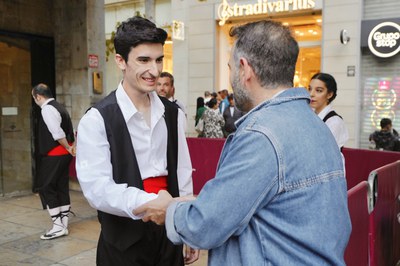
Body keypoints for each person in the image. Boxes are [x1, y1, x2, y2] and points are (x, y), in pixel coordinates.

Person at [135, 20, 351, 265]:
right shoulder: (314, 125)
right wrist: (197, 201)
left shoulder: (262, 134)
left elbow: (205, 224)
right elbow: (277, 206)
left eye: (229, 68)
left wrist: (169, 210)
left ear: (244, 69)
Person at [75, 16, 198, 265]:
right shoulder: (98, 119)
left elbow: (182, 171)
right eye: (144, 60)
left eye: (159, 59)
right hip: (122, 240)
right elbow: (97, 188)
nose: (154, 70)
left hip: (168, 235)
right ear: (120, 61)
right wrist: (150, 202)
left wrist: (186, 227)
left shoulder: (173, 113)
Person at [32, 83, 75, 240]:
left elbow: (57, 133)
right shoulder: (60, 106)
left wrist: (68, 147)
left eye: (34, 98)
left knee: (46, 187)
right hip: (63, 154)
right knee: (60, 186)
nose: (35, 101)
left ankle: (57, 227)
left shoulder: (47, 108)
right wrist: (70, 148)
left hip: (56, 153)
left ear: (38, 96)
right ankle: (63, 224)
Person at [308, 72, 349, 149]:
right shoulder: (310, 116)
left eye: (319, 90)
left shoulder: (334, 122)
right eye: (310, 89)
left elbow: (324, 151)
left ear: (329, 94)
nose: (311, 94)